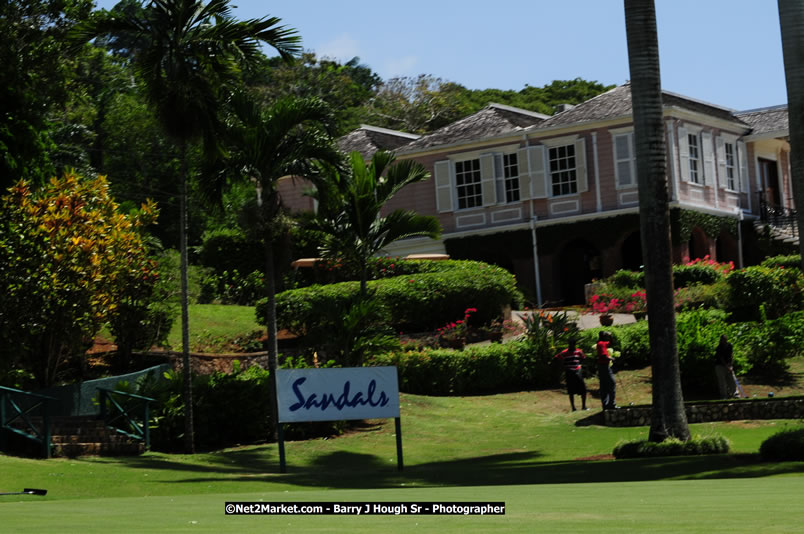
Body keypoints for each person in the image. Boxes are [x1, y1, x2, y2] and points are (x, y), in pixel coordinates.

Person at [554, 338, 587, 411]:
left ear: (574, 345)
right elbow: (556, 358)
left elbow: (583, 358)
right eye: (570, 345)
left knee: (583, 390)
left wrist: (580, 365)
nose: (571, 346)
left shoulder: (578, 351)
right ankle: (573, 407)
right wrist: (563, 365)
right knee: (571, 391)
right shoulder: (565, 352)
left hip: (578, 371)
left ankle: (583, 406)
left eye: (572, 345)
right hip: (569, 372)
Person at [596, 331, 618, 410]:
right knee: (611, 383)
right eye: (606, 335)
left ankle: (606, 405)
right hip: (604, 367)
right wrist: (611, 358)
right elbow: (603, 355)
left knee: (604, 385)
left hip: (603, 366)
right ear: (603, 336)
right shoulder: (601, 344)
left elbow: (611, 343)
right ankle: (611, 404)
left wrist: (611, 335)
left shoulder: (602, 343)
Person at [714, 334, 738, 399]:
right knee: (722, 382)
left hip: (728, 364)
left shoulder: (730, 345)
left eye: (725, 340)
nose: (724, 341)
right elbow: (721, 359)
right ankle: (724, 396)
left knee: (732, 379)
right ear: (721, 340)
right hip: (719, 366)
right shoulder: (719, 348)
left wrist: (731, 365)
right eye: (722, 340)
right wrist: (727, 366)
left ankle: (735, 394)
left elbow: (731, 355)